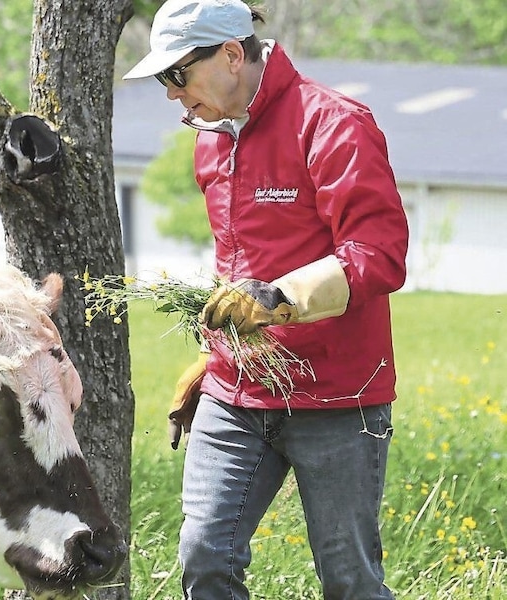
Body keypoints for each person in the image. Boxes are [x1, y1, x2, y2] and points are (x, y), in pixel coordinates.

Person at [123, 1, 409, 598]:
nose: (172, 94)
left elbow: (379, 253)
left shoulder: (332, 123)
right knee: (204, 558)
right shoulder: (209, 140)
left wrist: (281, 298)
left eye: (178, 74)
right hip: (236, 393)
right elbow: (238, 268)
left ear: (232, 53)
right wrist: (214, 357)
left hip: (338, 397)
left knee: (350, 580)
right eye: (162, 80)